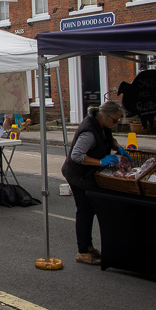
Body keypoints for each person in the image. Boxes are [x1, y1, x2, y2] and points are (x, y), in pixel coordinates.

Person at [60, 100, 131, 265]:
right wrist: (100, 162)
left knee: (90, 210)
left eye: (119, 120)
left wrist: (118, 147)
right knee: (84, 211)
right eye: (115, 120)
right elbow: (76, 156)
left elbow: (109, 138)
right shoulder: (89, 132)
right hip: (78, 176)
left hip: (86, 175)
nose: (117, 123)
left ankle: (88, 246)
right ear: (104, 116)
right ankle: (83, 252)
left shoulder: (101, 124)